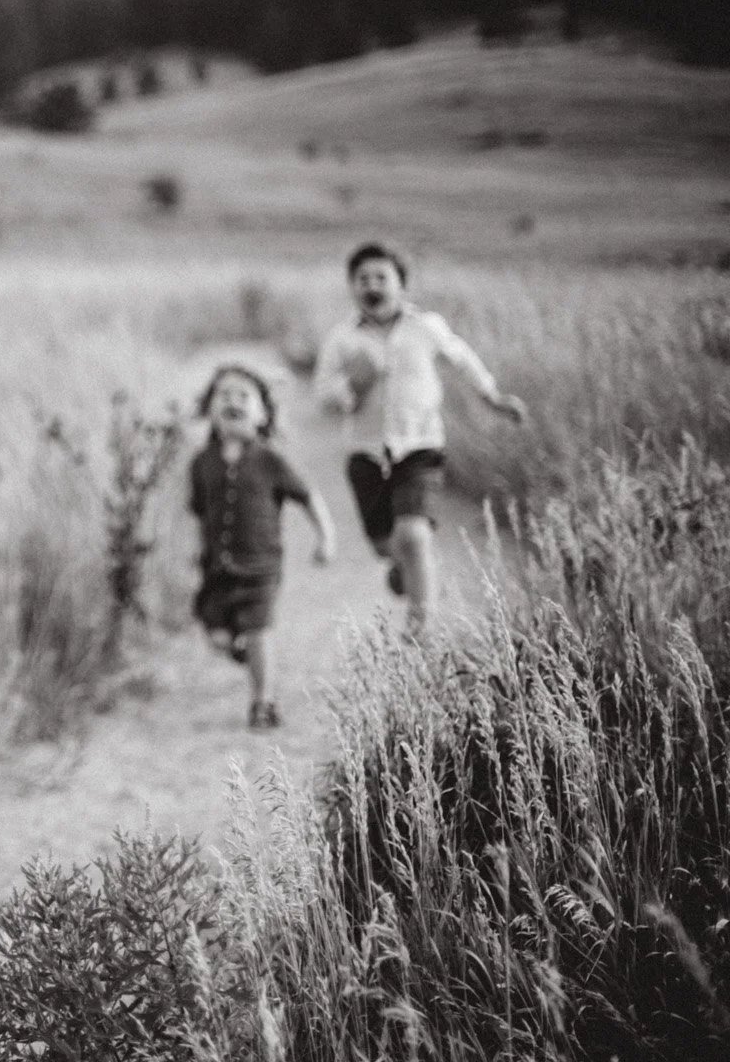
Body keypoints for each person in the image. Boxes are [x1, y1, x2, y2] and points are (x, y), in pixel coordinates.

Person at [313, 242, 526, 634]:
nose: (371, 285)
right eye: (362, 279)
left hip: (420, 446)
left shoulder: (425, 327)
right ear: (352, 288)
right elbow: (323, 395)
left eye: (381, 277)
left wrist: (492, 397)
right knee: (384, 544)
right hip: (366, 452)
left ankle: (420, 623)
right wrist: (353, 386)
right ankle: (405, 564)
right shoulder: (342, 339)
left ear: (401, 286)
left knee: (412, 533)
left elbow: (462, 359)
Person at [188, 363, 335, 730]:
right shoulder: (201, 463)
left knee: (259, 631)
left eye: (244, 396)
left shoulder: (270, 459)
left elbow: (308, 496)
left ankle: (263, 701)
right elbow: (199, 513)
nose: (233, 401)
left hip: (260, 569)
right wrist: (196, 556)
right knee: (218, 638)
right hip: (217, 571)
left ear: (263, 413)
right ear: (209, 408)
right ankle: (240, 649)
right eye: (224, 395)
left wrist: (326, 537)